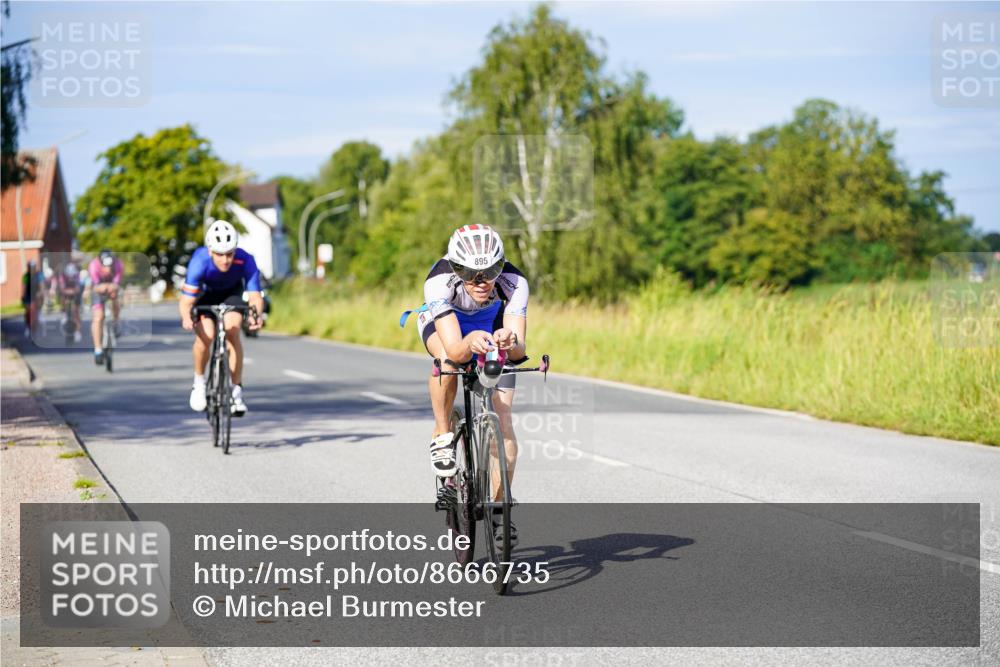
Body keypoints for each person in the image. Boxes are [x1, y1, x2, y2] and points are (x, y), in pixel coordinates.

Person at [415, 225, 528, 545]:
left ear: (501, 265)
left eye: (490, 271)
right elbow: (454, 349)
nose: (481, 282)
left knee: (503, 419)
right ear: (455, 267)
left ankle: (498, 508)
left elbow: (519, 349)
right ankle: (442, 432)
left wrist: (510, 339)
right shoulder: (439, 281)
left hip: (492, 324)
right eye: (469, 272)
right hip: (449, 326)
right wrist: (470, 341)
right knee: (448, 364)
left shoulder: (514, 282)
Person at [178, 221, 263, 416]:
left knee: (232, 331)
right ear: (210, 251)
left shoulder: (246, 260)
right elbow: (185, 301)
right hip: (205, 296)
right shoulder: (199, 262)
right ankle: (199, 384)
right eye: (219, 254)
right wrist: (186, 317)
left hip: (231, 294)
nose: (225, 260)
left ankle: (236, 393)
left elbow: (255, 297)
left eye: (229, 254)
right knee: (206, 335)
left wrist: (255, 316)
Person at [88, 249, 124, 364]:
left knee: (116, 298)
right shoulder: (93, 266)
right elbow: (97, 286)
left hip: (112, 288)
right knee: (98, 317)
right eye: (105, 267)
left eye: (110, 266)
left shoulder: (118, 264)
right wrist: (104, 287)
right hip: (98, 290)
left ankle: (116, 320)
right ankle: (98, 349)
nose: (108, 270)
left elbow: (117, 283)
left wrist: (113, 287)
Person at [56, 261, 84, 343]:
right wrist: (68, 291)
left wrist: (73, 291)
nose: (71, 277)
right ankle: (64, 311)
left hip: (75, 294)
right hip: (66, 293)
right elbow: (62, 288)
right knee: (62, 297)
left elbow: (78, 288)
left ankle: (77, 332)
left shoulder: (77, 275)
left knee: (76, 312)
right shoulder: (62, 276)